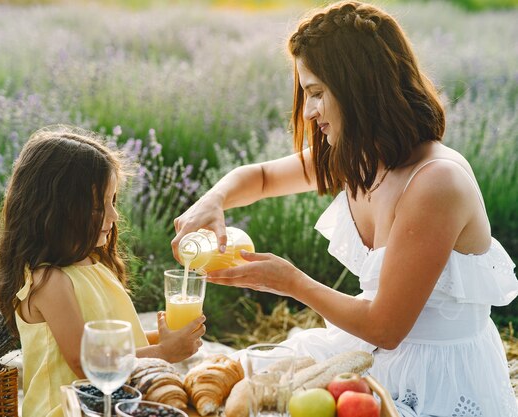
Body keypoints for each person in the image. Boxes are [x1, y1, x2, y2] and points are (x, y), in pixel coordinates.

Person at [171, 2, 518, 416]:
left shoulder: (435, 182)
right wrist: (212, 201)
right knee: (245, 376)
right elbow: (261, 177)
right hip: (364, 347)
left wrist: (290, 282)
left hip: (432, 372)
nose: (309, 111)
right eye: (306, 94)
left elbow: (386, 328)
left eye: (317, 93)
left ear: (359, 86)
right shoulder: (361, 156)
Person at [0, 125, 205, 417]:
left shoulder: (94, 263)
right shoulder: (50, 282)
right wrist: (164, 352)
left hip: (109, 405)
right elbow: (86, 364)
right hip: (65, 409)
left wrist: (165, 337)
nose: (114, 216)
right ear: (53, 212)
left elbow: (113, 343)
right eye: (96, 206)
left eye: (112, 201)